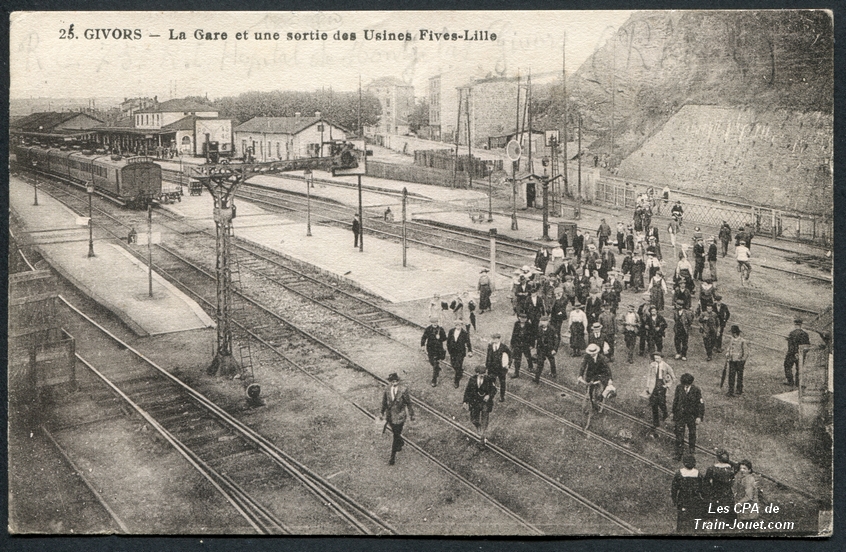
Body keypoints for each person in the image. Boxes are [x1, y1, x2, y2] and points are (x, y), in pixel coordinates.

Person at [380, 372, 415, 466]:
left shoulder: (403, 390)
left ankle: (392, 457)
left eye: (396, 381)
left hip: (400, 417)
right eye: (392, 381)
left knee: (395, 436)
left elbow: (408, 403)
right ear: (390, 382)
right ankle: (400, 441)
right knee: (396, 433)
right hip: (390, 416)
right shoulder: (387, 389)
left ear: (398, 381)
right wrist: (382, 412)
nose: (394, 382)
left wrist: (411, 414)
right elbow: (384, 402)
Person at [463, 365, 497, 448]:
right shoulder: (472, 379)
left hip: (485, 403)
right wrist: (465, 401)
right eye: (481, 374)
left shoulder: (488, 379)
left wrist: (489, 395)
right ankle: (479, 427)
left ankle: (482, 441)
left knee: (484, 421)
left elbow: (494, 389)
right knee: (474, 420)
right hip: (475, 403)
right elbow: (467, 390)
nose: (483, 375)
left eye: (484, 373)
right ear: (477, 373)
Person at [672, 373, 704, 460]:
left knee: (692, 433)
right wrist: (674, 413)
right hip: (680, 415)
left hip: (691, 416)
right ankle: (679, 453)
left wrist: (699, 417)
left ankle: (691, 450)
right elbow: (676, 400)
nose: (685, 386)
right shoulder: (679, 388)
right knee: (679, 434)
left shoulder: (696, 390)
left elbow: (700, 404)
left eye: (687, 385)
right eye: (684, 384)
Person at [671, 454, 704, 534]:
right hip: (695, 498)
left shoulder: (679, 473)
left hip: (683, 498)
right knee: (694, 517)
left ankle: (681, 532)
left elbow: (674, 488)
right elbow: (702, 488)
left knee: (682, 518)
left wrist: (674, 500)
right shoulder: (698, 474)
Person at [646, 352, 676, 435]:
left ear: (662, 358)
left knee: (662, 402)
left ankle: (665, 413)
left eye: (658, 358)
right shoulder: (652, 365)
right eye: (655, 358)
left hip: (661, 386)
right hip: (653, 385)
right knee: (653, 403)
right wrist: (648, 386)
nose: (656, 360)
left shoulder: (666, 366)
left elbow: (673, 377)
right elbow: (649, 376)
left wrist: (667, 385)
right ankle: (655, 422)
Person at [704, 449, 737, 523]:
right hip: (727, 493)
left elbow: (706, 482)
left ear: (717, 458)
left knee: (715, 513)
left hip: (715, 493)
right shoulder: (730, 470)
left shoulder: (711, 469)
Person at [578, 344, 613, 408]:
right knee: (589, 391)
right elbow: (583, 365)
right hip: (590, 375)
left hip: (600, 375)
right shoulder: (587, 356)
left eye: (592, 353)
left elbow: (607, 369)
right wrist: (580, 375)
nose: (591, 355)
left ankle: (599, 401)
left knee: (600, 391)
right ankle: (591, 402)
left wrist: (610, 379)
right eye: (590, 353)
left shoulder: (601, 358)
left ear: (596, 352)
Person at [446, 319, 473, 389]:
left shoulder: (464, 333)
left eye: (459, 325)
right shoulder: (451, 331)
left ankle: (456, 381)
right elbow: (448, 341)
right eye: (456, 325)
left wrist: (470, 351)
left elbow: (468, 343)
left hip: (460, 352)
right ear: (455, 325)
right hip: (452, 352)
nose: (458, 326)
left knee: (458, 366)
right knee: (453, 364)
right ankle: (460, 371)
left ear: (461, 325)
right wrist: (449, 349)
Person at [783, 318, 810, 386]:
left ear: (795, 325)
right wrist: (802, 353)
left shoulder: (792, 333)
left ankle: (790, 382)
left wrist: (795, 353)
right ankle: (798, 383)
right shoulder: (805, 334)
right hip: (801, 354)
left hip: (792, 354)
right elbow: (807, 345)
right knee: (799, 368)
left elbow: (791, 346)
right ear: (801, 325)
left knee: (787, 366)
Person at [420, 317, 447, 387]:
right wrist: (422, 345)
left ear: (438, 322)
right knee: (431, 362)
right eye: (433, 322)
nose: (435, 324)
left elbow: (445, 338)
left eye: (436, 322)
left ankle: (434, 380)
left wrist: (440, 337)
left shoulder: (441, 329)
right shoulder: (428, 329)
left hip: (438, 350)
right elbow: (424, 337)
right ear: (431, 323)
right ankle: (437, 368)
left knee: (435, 364)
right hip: (430, 349)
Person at [485, 333, 511, 402]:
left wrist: (508, 364)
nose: (493, 340)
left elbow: (510, 355)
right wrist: (487, 366)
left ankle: (502, 396)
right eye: (493, 339)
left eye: (495, 339)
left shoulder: (504, 347)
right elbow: (488, 356)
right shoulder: (490, 346)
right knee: (491, 382)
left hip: (501, 369)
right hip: (491, 368)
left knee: (502, 383)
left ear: (499, 339)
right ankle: (490, 395)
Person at [534, 316, 560, 382]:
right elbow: (537, 338)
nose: (543, 323)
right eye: (542, 322)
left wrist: (554, 349)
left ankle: (553, 373)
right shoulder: (539, 329)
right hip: (541, 349)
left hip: (549, 348)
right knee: (540, 363)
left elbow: (556, 340)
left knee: (551, 360)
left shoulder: (552, 329)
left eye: (545, 322)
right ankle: (537, 378)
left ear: (548, 322)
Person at [725, 325, 748, 397]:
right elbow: (729, 348)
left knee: (739, 376)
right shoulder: (732, 339)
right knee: (731, 376)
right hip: (732, 361)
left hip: (739, 362)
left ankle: (739, 389)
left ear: (734, 333)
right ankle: (730, 390)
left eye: (732, 332)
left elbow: (746, 352)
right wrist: (728, 354)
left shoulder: (742, 341)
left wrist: (742, 361)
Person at [510, 313, 534, 379]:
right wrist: (512, 343)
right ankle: (516, 372)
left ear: (526, 319)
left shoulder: (529, 325)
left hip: (526, 344)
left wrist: (532, 344)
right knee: (517, 359)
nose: (522, 319)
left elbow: (532, 336)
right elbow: (514, 334)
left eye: (524, 318)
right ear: (519, 318)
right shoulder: (516, 324)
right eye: (521, 318)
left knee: (528, 356)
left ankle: (530, 366)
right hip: (517, 344)